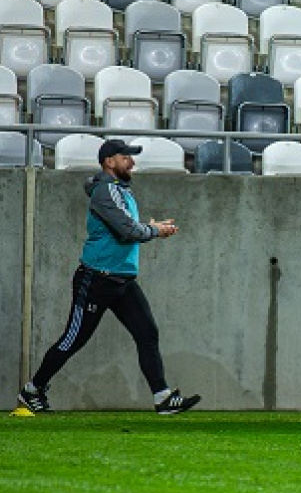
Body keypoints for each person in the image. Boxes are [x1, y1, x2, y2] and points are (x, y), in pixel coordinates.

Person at [17, 140, 202, 415]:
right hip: (97, 280)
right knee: (72, 340)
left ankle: (162, 398)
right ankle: (32, 391)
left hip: (122, 281)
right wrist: (154, 231)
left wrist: (151, 227)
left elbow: (128, 227)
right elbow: (126, 231)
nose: (132, 162)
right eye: (126, 157)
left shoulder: (120, 191)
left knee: (147, 334)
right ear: (109, 162)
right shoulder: (106, 191)